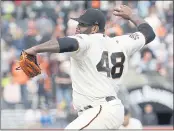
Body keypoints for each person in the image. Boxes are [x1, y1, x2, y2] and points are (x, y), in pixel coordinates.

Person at [24, 5, 155, 129]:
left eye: (82, 24)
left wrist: (35, 49)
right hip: (108, 110)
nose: (78, 27)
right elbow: (148, 33)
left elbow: (68, 43)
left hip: (100, 110)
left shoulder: (89, 40)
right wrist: (132, 15)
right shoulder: (121, 42)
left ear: (94, 28)